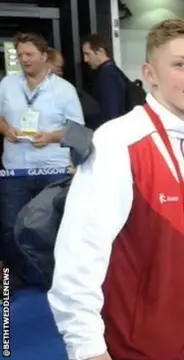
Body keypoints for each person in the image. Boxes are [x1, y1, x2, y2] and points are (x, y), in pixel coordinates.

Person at [48, 18, 184, 360]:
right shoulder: (119, 141)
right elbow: (80, 251)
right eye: (181, 65)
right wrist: (88, 349)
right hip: (131, 345)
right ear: (149, 74)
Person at [0, 32, 84, 288]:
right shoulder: (6, 84)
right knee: (9, 226)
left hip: (53, 169)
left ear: (44, 57)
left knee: (52, 227)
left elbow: (77, 129)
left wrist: (51, 136)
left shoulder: (64, 90)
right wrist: (5, 129)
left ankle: (56, 280)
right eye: (20, 54)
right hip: (16, 168)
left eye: (29, 54)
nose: (24, 60)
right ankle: (12, 280)